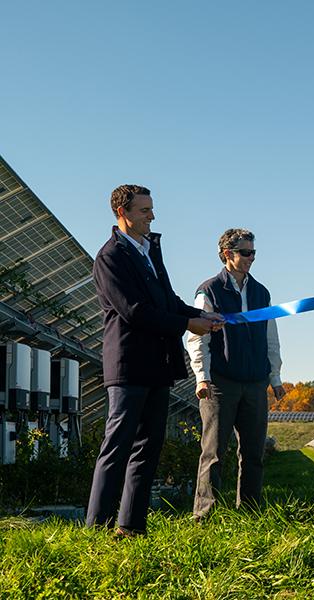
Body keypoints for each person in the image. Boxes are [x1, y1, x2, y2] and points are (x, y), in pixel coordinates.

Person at [86, 184, 223, 537]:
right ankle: (96, 528)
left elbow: (166, 300)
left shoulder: (149, 250)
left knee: (148, 447)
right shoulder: (110, 257)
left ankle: (130, 526)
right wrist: (186, 324)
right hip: (129, 366)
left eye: (151, 209)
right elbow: (134, 311)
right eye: (144, 210)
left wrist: (201, 315)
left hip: (158, 364)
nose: (152, 216)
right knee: (117, 447)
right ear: (123, 213)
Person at [188, 228, 286, 520]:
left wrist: (275, 379)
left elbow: (272, 337)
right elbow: (197, 338)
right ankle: (204, 515)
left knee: (254, 453)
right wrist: (201, 376)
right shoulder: (209, 291)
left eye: (253, 252)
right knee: (214, 452)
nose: (251, 258)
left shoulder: (261, 292)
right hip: (221, 382)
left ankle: (251, 513)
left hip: (255, 382)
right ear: (226, 254)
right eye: (246, 252)